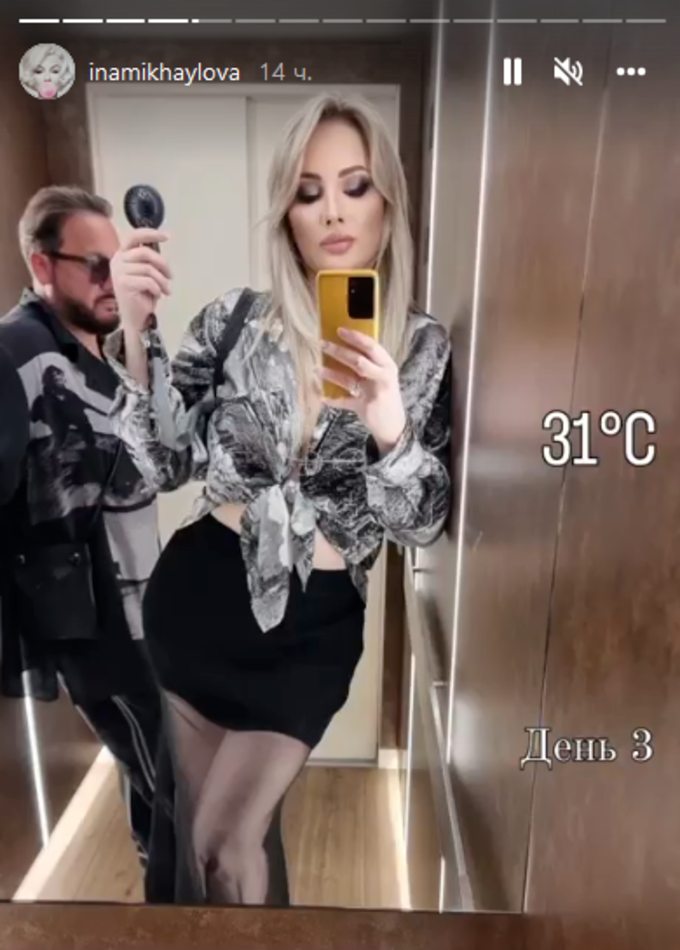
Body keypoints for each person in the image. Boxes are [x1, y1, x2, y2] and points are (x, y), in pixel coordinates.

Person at [105, 92, 452, 906]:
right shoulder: (234, 322)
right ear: (286, 215)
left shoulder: (421, 346)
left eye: (355, 186)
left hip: (313, 628)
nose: (333, 211)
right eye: (307, 192)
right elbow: (164, 465)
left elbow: (420, 523)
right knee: (200, 845)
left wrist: (389, 427)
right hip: (200, 597)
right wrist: (136, 332)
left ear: (388, 201)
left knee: (225, 844)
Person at [0, 186, 172, 901]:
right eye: (94, 266)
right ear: (42, 265)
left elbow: (166, 448)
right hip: (92, 623)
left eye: (119, 261)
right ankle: (183, 919)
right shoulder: (15, 353)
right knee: (174, 785)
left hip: (147, 605)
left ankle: (167, 903)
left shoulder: (118, 338)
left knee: (155, 779)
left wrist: (141, 330)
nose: (111, 279)